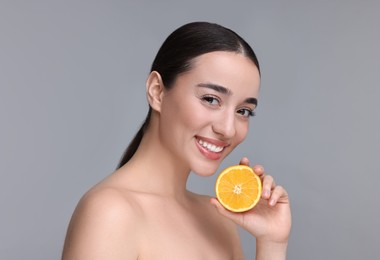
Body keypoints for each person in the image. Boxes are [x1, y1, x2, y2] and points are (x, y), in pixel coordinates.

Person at [62, 21, 291, 259]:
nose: (228, 129)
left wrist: (273, 243)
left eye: (243, 111)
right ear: (157, 91)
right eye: (211, 99)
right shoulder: (111, 213)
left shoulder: (218, 220)